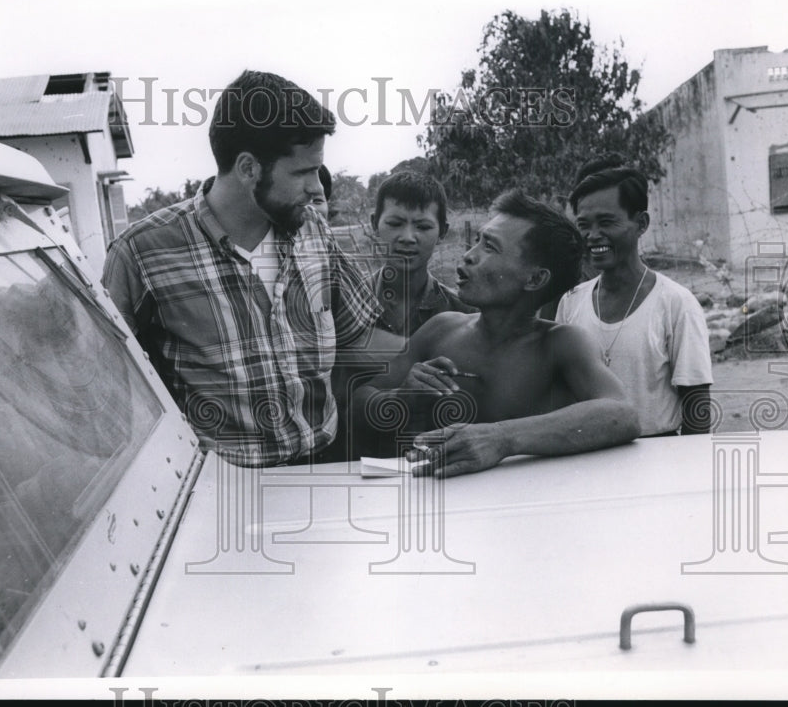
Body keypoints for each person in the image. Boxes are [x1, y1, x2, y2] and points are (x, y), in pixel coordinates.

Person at [102, 69, 402, 467]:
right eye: (302, 172)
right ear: (248, 169)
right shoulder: (141, 253)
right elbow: (109, 392)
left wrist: (454, 346)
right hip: (220, 491)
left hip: (324, 465)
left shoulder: (313, 231)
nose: (317, 188)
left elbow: (360, 339)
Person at [352, 189, 640, 478]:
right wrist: (400, 398)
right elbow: (359, 401)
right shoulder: (441, 330)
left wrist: (502, 438)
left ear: (535, 278)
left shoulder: (559, 344)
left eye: (489, 247)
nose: (468, 256)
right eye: (477, 240)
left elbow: (622, 413)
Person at [556, 154, 713, 436]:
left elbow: (697, 406)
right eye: (584, 225)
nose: (593, 235)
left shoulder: (676, 303)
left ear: (641, 224)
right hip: (586, 457)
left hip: (657, 460)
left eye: (606, 222)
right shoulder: (570, 302)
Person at [369, 171, 475, 337]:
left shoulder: (464, 313)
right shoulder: (345, 304)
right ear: (375, 224)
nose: (408, 238)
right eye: (395, 224)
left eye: (423, 227)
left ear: (442, 232)